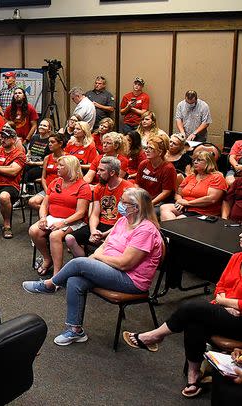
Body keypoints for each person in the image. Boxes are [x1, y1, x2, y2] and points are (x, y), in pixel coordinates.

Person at [24, 187, 164, 347]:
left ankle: (50, 284)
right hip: (111, 268)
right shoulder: (124, 221)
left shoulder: (146, 231)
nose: (120, 204)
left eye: (124, 202)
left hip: (131, 280)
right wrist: (93, 260)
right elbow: (105, 246)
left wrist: (95, 259)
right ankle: (75, 331)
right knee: (76, 280)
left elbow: (125, 264)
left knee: (79, 263)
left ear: (136, 207)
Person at [123, 232, 242, 398]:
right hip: (225, 310)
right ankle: (194, 377)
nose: (241, 235)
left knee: (191, 309)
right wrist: (225, 300)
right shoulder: (237, 257)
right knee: (194, 321)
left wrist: (225, 302)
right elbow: (220, 285)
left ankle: (154, 336)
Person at [28, 155, 91, 276]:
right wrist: (43, 218)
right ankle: (48, 259)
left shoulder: (83, 186)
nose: (57, 167)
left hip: (73, 221)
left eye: (62, 166)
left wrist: (64, 222)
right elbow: (44, 205)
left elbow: (81, 213)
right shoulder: (55, 182)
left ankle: (57, 274)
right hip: (54, 218)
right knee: (33, 230)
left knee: (55, 236)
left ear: (71, 168)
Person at [66, 156, 134, 257]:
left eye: (102, 170)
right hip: (100, 225)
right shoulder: (99, 187)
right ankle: (85, 262)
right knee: (69, 238)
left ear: (112, 173)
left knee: (108, 247)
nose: (97, 173)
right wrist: (93, 230)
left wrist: (104, 234)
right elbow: (94, 214)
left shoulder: (128, 189)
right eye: (98, 170)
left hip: (118, 227)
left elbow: (127, 221)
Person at [159, 150, 227, 220]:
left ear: (208, 162)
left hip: (203, 211)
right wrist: (180, 201)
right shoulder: (191, 177)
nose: (195, 162)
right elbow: (178, 193)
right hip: (186, 207)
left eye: (199, 160)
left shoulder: (217, 177)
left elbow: (211, 199)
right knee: (164, 207)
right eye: (194, 160)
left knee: (179, 219)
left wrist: (188, 203)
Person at [27, 133, 66, 211]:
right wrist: (47, 190)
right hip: (48, 189)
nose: (49, 144)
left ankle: (51, 213)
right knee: (32, 202)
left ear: (60, 143)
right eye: (49, 142)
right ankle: (51, 212)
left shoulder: (68, 158)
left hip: (63, 189)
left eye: (52, 142)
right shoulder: (47, 158)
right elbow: (43, 177)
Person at [135, 134, 176, 206]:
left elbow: (166, 192)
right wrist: (139, 198)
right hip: (144, 199)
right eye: (146, 148)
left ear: (160, 152)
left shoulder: (169, 168)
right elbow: (137, 184)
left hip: (160, 203)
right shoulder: (143, 164)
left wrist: (150, 204)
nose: (146, 151)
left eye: (150, 148)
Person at [23, 118, 54, 185]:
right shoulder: (35, 137)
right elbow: (29, 152)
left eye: (44, 126)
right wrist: (27, 157)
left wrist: (34, 163)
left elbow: (49, 160)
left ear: (49, 129)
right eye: (40, 125)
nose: (41, 127)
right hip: (30, 161)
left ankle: (25, 189)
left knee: (30, 173)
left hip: (41, 165)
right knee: (20, 168)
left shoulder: (51, 141)